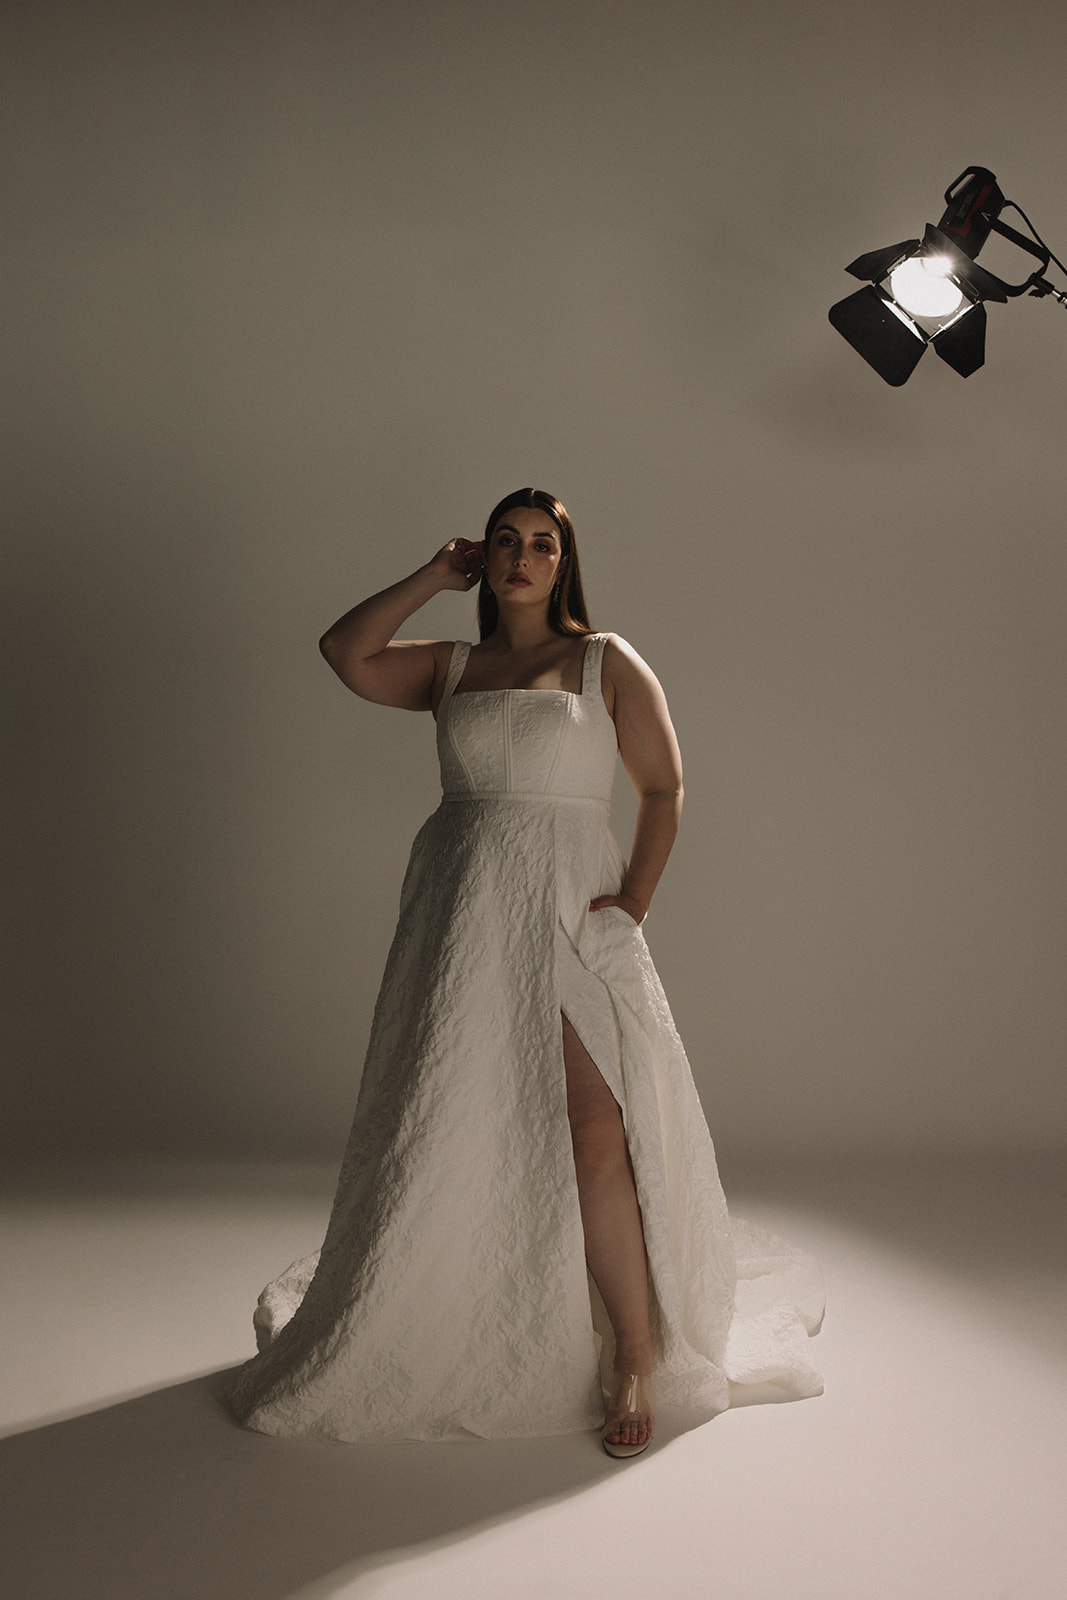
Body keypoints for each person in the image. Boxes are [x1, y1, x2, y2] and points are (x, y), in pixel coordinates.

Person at [225, 488, 823, 1459]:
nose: (521, 557)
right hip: (461, 914)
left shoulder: (602, 660)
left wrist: (631, 898)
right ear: (484, 557)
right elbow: (345, 651)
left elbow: (664, 786)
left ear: (563, 564)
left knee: (595, 1126)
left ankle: (635, 1353)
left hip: (565, 906)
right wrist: (432, 574)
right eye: (505, 541)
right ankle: (477, 1308)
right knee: (456, 1114)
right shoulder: (451, 667)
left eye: (542, 544)